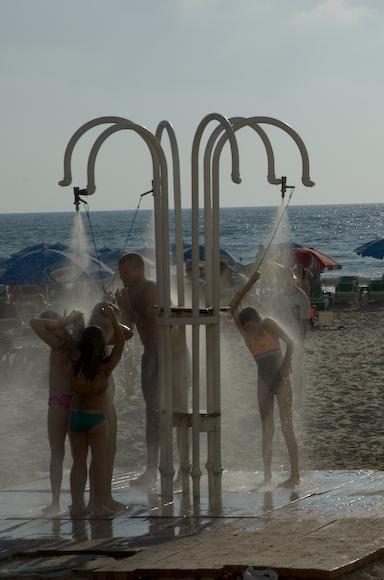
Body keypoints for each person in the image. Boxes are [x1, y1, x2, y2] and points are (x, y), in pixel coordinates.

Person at [229, 270, 300, 488]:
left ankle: (294, 475)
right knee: (267, 427)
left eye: (254, 326)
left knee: (287, 425)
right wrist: (251, 280)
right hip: (264, 379)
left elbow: (292, 343)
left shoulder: (268, 324)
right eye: (248, 328)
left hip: (281, 377)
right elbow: (232, 307)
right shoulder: (246, 334)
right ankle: (267, 476)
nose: (253, 330)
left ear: (259, 320)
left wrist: (287, 363)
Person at [69, 303, 125, 517]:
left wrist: (73, 322)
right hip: (96, 419)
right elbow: (120, 341)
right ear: (103, 346)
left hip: (75, 418)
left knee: (78, 464)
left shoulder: (74, 364)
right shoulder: (105, 368)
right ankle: (98, 505)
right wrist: (112, 317)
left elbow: (76, 341)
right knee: (99, 463)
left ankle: (77, 505)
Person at [29, 309, 84, 514]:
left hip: (58, 403)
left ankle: (55, 502)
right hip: (76, 402)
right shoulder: (74, 343)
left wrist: (60, 322)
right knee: (78, 457)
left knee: (57, 455)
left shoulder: (58, 343)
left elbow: (33, 322)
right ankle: (78, 502)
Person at [116, 253, 159, 486]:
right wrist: (118, 312)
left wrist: (128, 305)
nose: (122, 277)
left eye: (126, 272)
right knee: (152, 414)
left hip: (171, 357)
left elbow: (155, 323)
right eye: (120, 272)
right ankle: (151, 469)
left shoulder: (151, 290)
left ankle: (183, 466)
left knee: (175, 412)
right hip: (150, 357)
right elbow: (129, 329)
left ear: (140, 270)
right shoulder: (130, 293)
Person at [88, 301, 133, 511]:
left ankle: (99, 498)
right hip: (102, 405)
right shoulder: (98, 343)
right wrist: (112, 319)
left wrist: (110, 318)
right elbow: (126, 335)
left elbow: (126, 333)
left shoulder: (92, 340)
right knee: (103, 452)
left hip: (99, 404)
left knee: (103, 452)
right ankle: (101, 499)